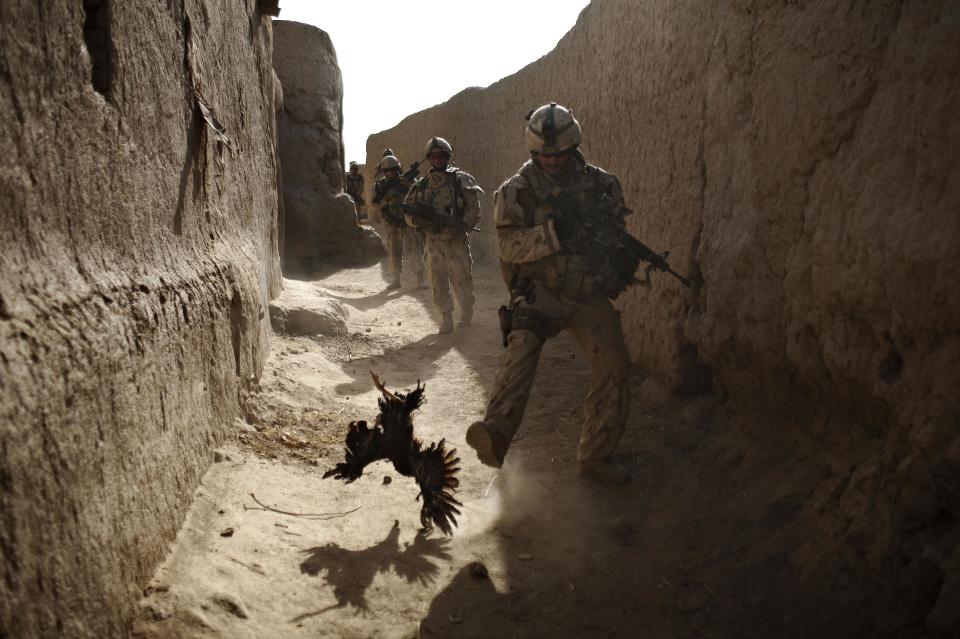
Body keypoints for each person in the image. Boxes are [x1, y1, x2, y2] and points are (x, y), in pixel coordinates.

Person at [466, 102, 632, 484]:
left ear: (573, 147)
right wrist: (554, 235)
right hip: (540, 291)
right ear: (533, 151)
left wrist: (612, 260)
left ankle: (596, 457)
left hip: (586, 292)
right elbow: (507, 246)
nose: (552, 161)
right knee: (520, 348)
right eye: (544, 155)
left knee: (616, 365)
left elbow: (615, 236)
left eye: (558, 154)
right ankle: (495, 433)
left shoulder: (602, 185)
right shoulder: (515, 191)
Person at [403, 137, 482, 334]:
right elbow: (408, 213)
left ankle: (466, 310)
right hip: (433, 240)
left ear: (447, 157)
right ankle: (446, 318)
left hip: (456, 240)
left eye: (441, 156)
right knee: (437, 280)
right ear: (429, 158)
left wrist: (463, 225)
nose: (437, 159)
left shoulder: (460, 179)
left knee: (461, 278)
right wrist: (419, 222)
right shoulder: (421, 185)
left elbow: (474, 207)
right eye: (434, 156)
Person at [373, 154, 425, 290]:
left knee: (414, 248)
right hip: (391, 220)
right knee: (394, 250)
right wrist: (390, 194)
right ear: (384, 171)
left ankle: (420, 280)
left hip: (407, 219)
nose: (391, 172)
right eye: (388, 170)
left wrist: (409, 185)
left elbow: (419, 194)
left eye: (393, 169)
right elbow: (376, 204)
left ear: (397, 169)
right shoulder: (380, 186)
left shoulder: (407, 180)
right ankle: (396, 280)